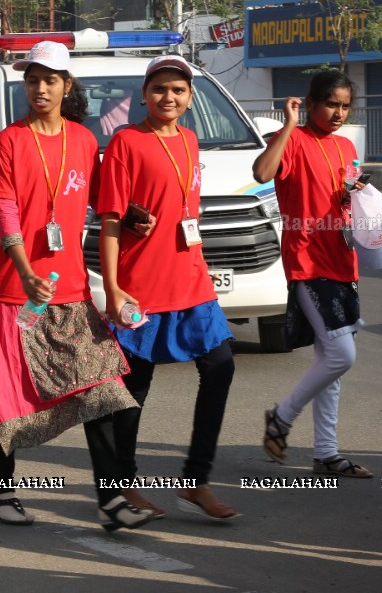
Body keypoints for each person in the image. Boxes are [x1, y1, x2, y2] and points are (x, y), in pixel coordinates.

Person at [0, 41, 144, 530]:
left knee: (103, 390)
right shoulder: (11, 141)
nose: (40, 88)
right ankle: (1, 494)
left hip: (73, 293)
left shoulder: (84, 142)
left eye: (50, 80)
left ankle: (110, 499)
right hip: (17, 293)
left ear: (67, 86)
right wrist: (23, 268)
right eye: (33, 80)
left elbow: (107, 204)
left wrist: (135, 223)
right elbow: (4, 209)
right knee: (9, 397)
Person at [97, 53, 239, 522]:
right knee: (135, 386)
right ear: (144, 95)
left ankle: (196, 480)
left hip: (191, 279)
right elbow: (112, 220)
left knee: (219, 366)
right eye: (160, 89)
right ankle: (123, 484)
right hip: (143, 287)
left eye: (178, 90)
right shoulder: (125, 141)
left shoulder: (191, 140)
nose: (169, 97)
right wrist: (115, 288)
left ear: (191, 98)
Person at [252, 70, 372, 479]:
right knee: (341, 355)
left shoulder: (345, 146)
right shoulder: (292, 141)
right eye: (330, 104)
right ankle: (281, 419)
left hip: (343, 261)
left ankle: (327, 454)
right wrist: (287, 125)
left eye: (344, 106)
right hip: (308, 263)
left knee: (330, 360)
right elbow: (262, 173)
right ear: (312, 102)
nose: (338, 113)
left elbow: (349, 196)